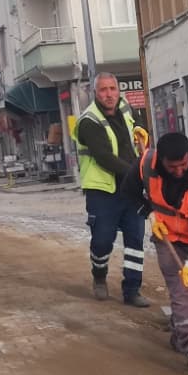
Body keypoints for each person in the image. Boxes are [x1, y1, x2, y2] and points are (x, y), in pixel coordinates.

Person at [138, 132, 188, 371]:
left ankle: (179, 330)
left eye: (183, 165)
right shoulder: (146, 164)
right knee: (180, 288)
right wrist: (148, 212)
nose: (178, 171)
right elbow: (128, 193)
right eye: (172, 167)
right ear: (162, 161)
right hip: (167, 238)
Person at [70, 71, 151, 307]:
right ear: (95, 93)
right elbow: (105, 157)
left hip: (130, 191)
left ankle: (132, 290)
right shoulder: (88, 121)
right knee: (103, 240)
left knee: (135, 240)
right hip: (103, 191)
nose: (109, 94)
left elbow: (137, 131)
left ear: (118, 90)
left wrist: (141, 132)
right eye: (103, 90)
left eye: (112, 89)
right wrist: (137, 174)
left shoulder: (127, 109)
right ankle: (99, 275)